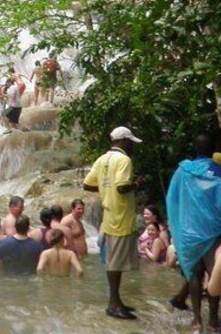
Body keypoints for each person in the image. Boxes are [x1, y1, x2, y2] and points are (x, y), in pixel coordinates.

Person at [166, 132, 221, 332]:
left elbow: (173, 199)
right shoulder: (218, 170)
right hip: (213, 231)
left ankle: (197, 319)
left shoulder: (182, 171)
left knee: (194, 275)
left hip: (189, 231)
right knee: (213, 275)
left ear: (195, 148)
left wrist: (177, 225)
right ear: (214, 149)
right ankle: (213, 319)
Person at [83, 126, 144, 320]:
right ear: (124, 141)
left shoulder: (102, 159)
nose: (132, 147)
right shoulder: (124, 160)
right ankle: (113, 304)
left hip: (108, 215)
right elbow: (122, 187)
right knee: (115, 264)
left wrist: (104, 188)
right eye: (131, 143)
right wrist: (137, 184)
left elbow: (87, 184)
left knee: (114, 262)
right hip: (121, 216)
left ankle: (117, 301)